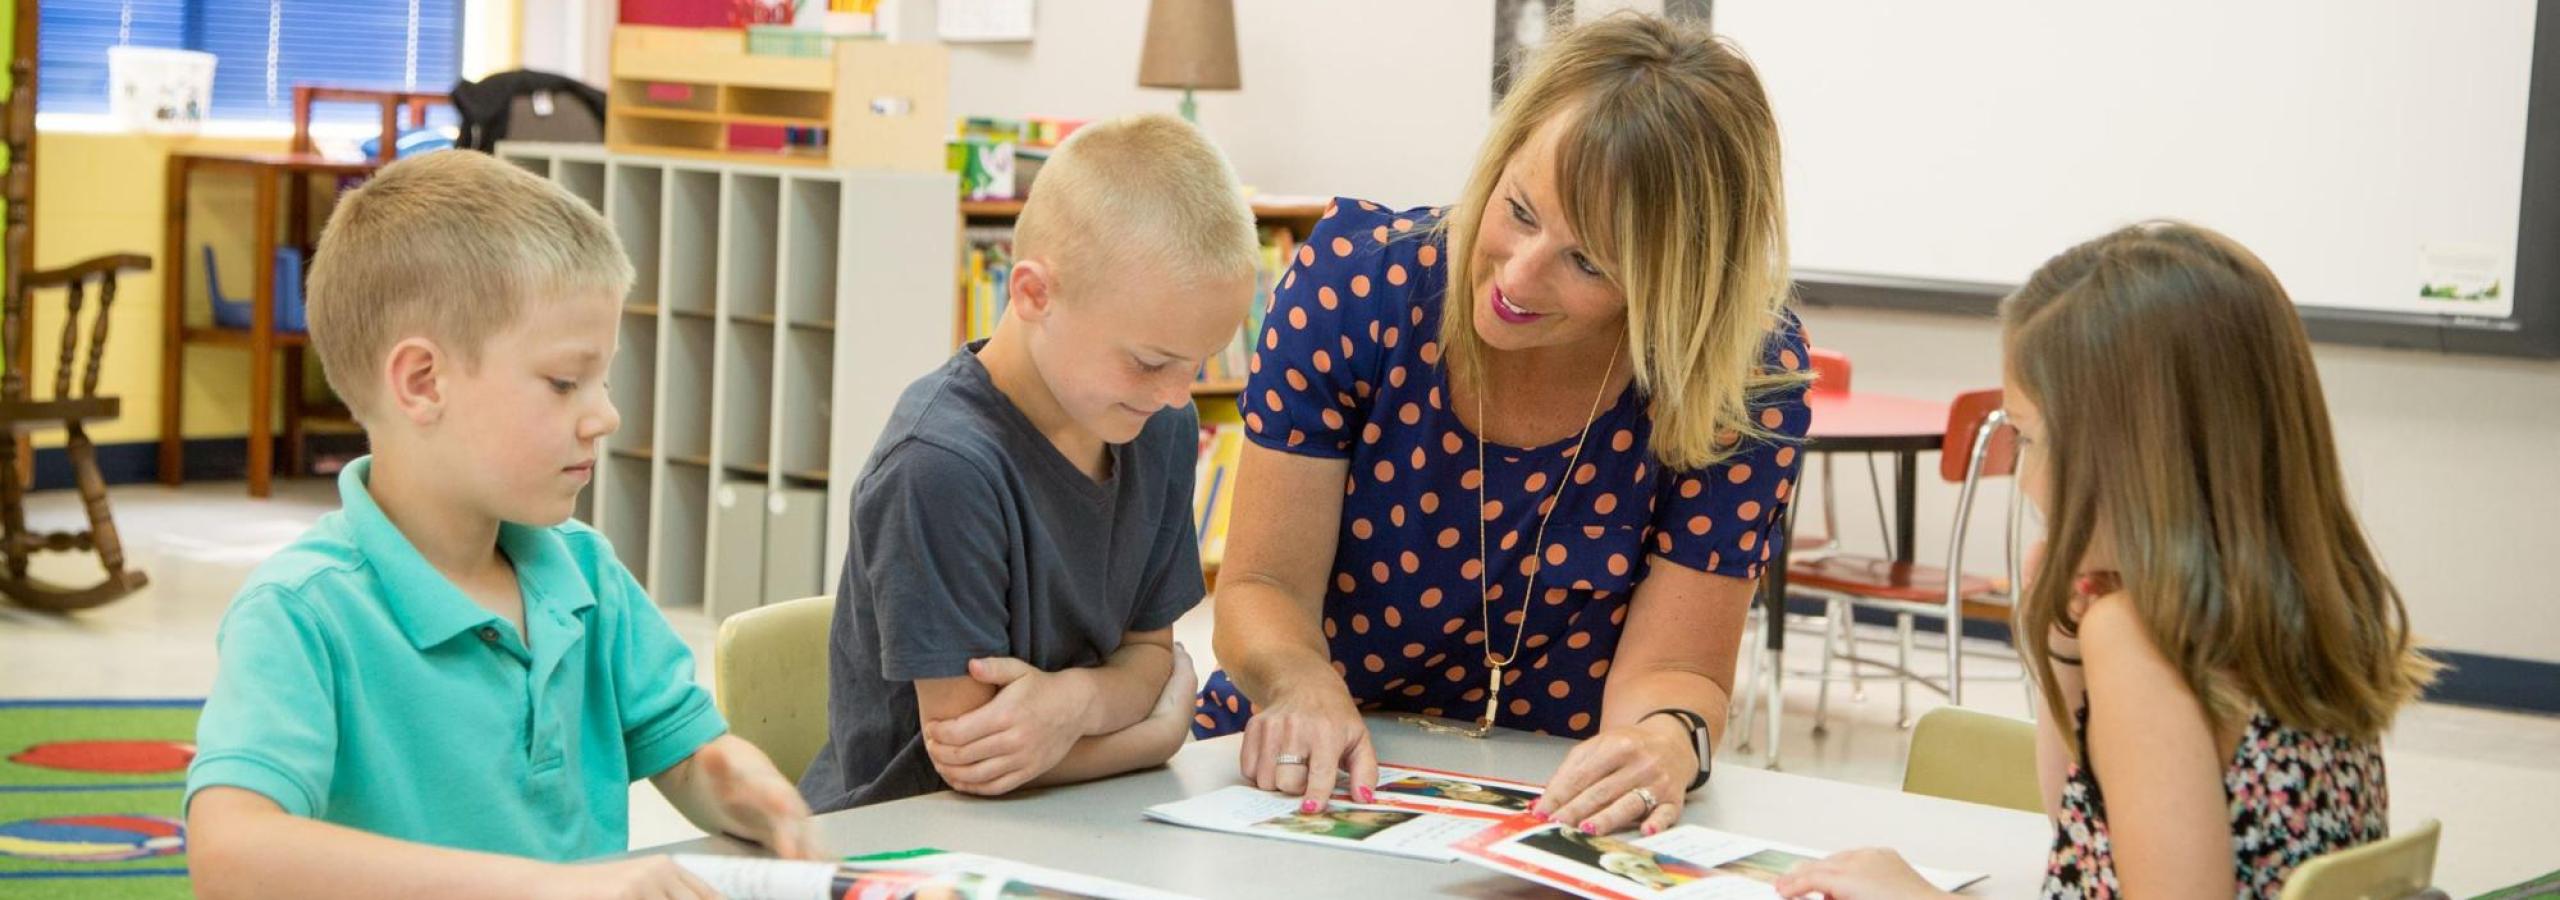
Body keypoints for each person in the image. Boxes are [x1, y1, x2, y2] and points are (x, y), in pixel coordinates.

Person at [1200, 11, 1810, 838]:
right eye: (1519, 211)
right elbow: (1261, 589)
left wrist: (1661, 741)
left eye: (1588, 261)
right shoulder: (1358, 289)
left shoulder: (1740, 377)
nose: (1518, 278)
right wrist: (1300, 683)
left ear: (1676, 282)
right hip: (1300, 773)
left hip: (1544, 812)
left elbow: (1676, 671)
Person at [185, 150, 815, 900]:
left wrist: (748, 790)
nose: (605, 415)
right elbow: (229, 852)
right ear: (423, 383)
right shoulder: (304, 611)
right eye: (564, 382)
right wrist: (546, 887)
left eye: (603, 379)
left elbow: (681, 751)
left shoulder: (584, 574)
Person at [1773, 223, 2437, 899]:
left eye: (2030, 439)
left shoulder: (2141, 638)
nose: (2025, 481)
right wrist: (2064, 653)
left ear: (2130, 456)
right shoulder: (2306, 612)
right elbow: (2089, 836)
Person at [796, 114, 1258, 811]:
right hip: (912, 837)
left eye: (1198, 365)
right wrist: (1157, 733)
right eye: (1150, 363)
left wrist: (1071, 701)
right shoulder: (939, 467)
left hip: (1078, 822)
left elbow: (1151, 656)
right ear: (1034, 294)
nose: (1174, 396)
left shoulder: (1158, 428)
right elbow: (975, 762)